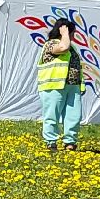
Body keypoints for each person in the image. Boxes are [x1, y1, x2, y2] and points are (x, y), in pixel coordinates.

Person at [37, 18, 84, 153]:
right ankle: (51, 142)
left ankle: (70, 142)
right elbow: (63, 48)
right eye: (72, 33)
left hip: (72, 85)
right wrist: (64, 33)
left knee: (74, 116)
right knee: (52, 115)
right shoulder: (51, 44)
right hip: (53, 86)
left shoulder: (72, 46)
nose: (73, 36)